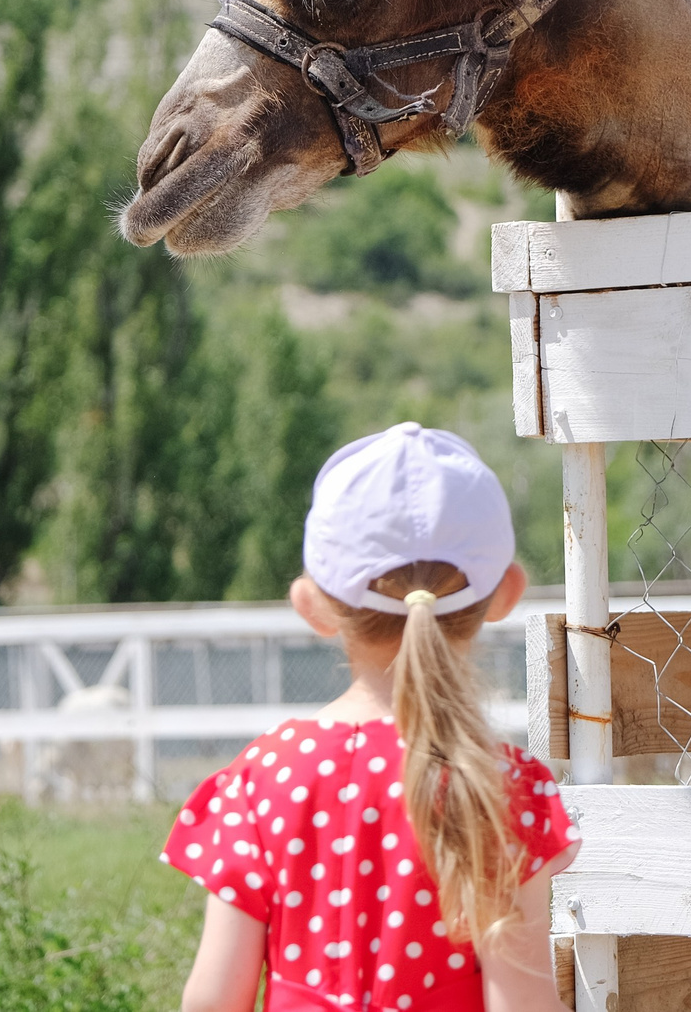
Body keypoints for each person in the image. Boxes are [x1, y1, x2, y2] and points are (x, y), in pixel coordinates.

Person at [163, 422, 577, 1012]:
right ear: (507, 593)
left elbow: (212, 1002)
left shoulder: (262, 782)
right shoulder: (503, 790)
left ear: (313, 605)